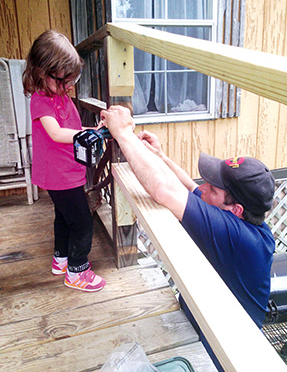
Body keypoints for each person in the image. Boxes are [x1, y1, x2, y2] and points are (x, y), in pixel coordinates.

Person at [100, 105, 275, 371]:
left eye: (213, 187)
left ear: (235, 210)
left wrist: (122, 132)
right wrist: (160, 156)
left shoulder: (239, 238)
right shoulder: (238, 220)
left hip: (223, 348)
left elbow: (165, 189)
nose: (202, 187)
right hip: (201, 316)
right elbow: (189, 187)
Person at [23, 30, 105, 292]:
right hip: (59, 175)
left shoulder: (60, 96)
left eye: (73, 80)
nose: (70, 86)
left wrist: (93, 130)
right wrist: (85, 134)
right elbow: (57, 133)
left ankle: (61, 259)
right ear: (41, 72)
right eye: (64, 80)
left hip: (68, 171)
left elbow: (73, 128)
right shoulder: (40, 101)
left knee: (63, 217)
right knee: (82, 222)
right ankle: (77, 270)